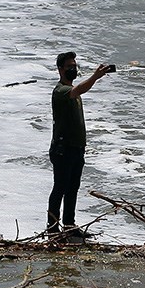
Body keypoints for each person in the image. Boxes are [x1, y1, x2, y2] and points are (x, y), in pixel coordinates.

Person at [47, 51, 111, 238]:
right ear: (60, 70)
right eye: (69, 66)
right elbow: (78, 90)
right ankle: (52, 228)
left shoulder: (73, 91)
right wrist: (96, 77)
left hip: (76, 148)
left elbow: (78, 91)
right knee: (60, 187)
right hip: (62, 148)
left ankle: (69, 225)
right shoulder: (61, 91)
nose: (73, 69)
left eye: (75, 66)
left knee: (72, 188)